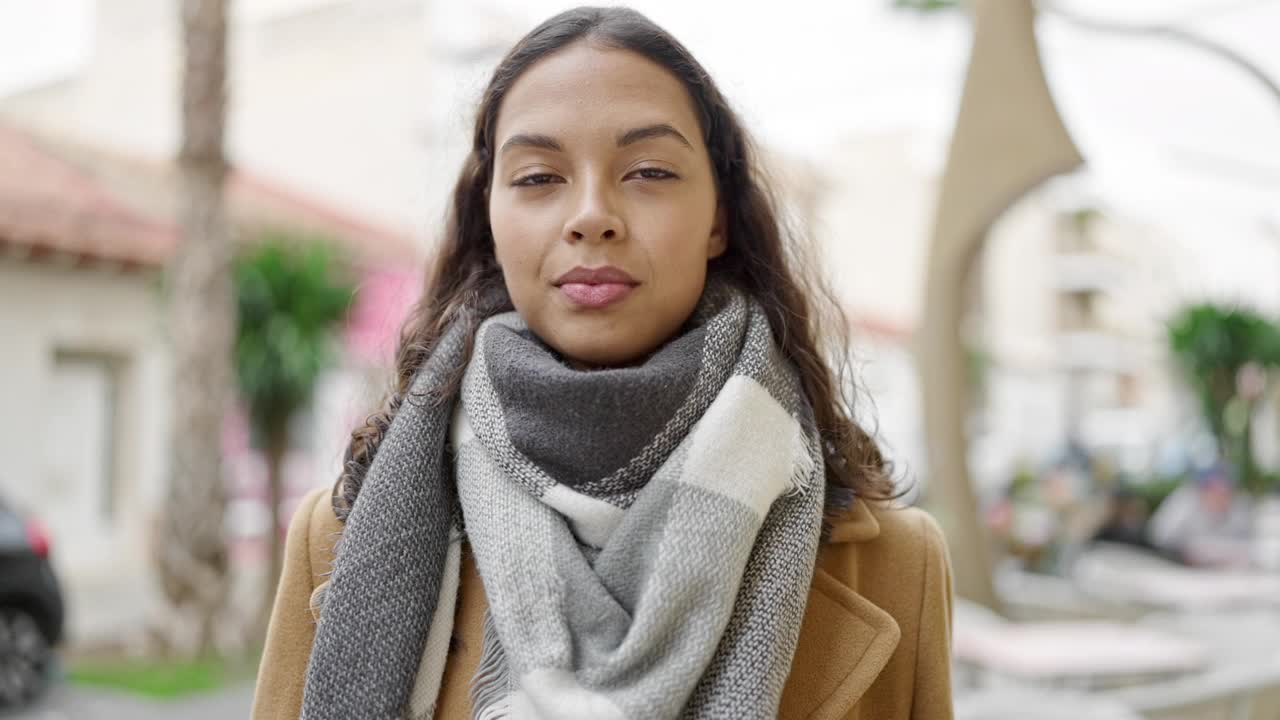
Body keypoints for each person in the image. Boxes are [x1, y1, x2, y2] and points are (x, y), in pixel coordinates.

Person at [252, 7, 953, 719]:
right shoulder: (339, 542)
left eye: (648, 170)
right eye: (536, 178)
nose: (592, 214)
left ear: (718, 219)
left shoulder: (897, 566)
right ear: (489, 218)